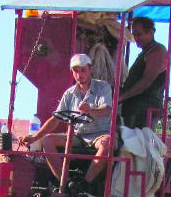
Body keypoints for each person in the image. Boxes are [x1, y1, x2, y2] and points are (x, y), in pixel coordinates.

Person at [22, 53, 114, 189]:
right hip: (77, 136)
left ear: (90, 69)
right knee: (48, 140)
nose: (79, 74)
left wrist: (91, 111)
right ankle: (66, 183)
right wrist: (35, 137)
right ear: (72, 72)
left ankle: (85, 184)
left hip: (98, 134)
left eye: (83, 70)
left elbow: (107, 109)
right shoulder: (69, 94)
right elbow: (56, 119)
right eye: (76, 71)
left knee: (107, 143)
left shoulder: (103, 87)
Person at [119, 17, 168, 129]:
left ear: (151, 32)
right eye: (134, 34)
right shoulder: (145, 53)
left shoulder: (157, 51)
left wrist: (121, 97)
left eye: (139, 34)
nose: (136, 38)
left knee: (138, 143)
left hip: (145, 110)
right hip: (133, 108)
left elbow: (146, 82)